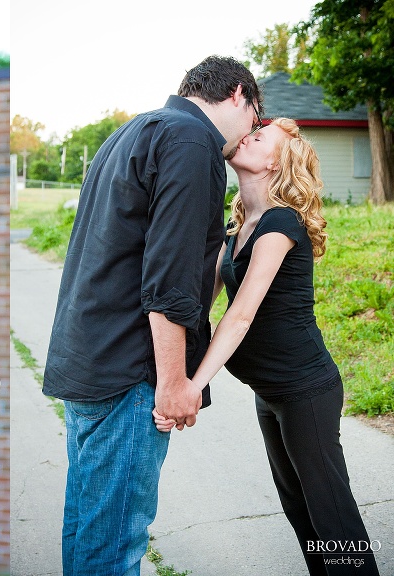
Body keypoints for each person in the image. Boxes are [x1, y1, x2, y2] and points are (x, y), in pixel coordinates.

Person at [42, 55, 264, 575]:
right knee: (114, 546)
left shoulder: (133, 130)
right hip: (129, 373)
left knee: (87, 530)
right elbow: (169, 280)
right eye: (255, 119)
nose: (247, 137)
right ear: (238, 95)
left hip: (87, 359)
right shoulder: (192, 144)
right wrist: (173, 382)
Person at [154, 117, 380, 575]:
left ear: (276, 161)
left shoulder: (280, 222)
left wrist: (191, 386)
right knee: (301, 512)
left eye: (260, 138)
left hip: (305, 391)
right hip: (270, 392)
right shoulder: (239, 225)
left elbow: (240, 316)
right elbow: (202, 300)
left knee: (331, 515)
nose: (247, 136)